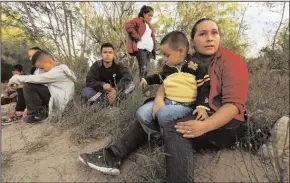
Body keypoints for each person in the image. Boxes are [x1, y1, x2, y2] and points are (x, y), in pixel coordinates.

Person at [78, 18, 286, 182]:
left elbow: (234, 106)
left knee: (177, 127)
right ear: (193, 41)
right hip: (192, 109)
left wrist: (205, 126)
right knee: (152, 109)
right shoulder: (188, 62)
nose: (210, 38)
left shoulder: (231, 60)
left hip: (227, 121)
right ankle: (113, 155)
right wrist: (159, 99)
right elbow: (166, 83)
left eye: (214, 33)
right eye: (203, 34)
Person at [137, 31, 210, 138]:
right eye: (163, 55)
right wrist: (146, 80)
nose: (165, 59)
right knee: (141, 113)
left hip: (185, 106)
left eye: (167, 55)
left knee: (162, 113)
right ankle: (156, 135)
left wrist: (202, 107)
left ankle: (168, 134)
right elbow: (159, 76)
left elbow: (204, 87)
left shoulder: (196, 65)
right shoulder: (168, 68)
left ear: (181, 51)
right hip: (167, 101)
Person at [8, 50, 77, 123]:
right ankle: (38, 112)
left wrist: (15, 78)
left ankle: (37, 115)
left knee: (29, 85)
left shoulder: (59, 71)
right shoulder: (52, 72)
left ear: (50, 62)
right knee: (28, 85)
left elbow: (37, 79)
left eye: (42, 68)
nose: (41, 70)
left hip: (62, 104)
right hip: (56, 100)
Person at [125, 5, 156, 80]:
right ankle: (144, 89)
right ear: (144, 14)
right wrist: (137, 37)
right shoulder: (138, 20)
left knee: (146, 70)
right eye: (149, 15)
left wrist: (153, 49)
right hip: (141, 48)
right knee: (143, 68)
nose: (150, 17)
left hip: (148, 50)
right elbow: (128, 25)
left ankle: (145, 87)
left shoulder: (149, 26)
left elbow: (152, 38)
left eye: (152, 16)